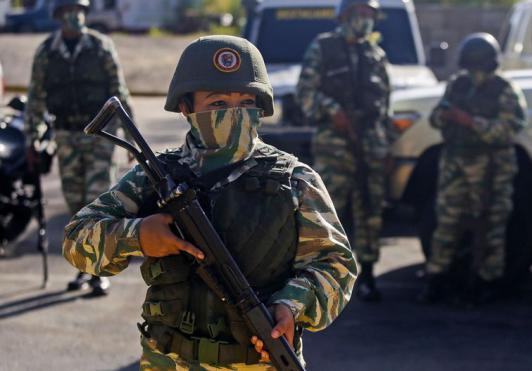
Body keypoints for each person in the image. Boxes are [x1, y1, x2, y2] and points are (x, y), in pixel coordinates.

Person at [62, 35, 357, 370]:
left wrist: (291, 305)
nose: (233, 113)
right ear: (186, 107)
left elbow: (336, 264)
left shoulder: (294, 180)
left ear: (261, 108)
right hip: (168, 361)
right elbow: (76, 239)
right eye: (217, 104)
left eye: (246, 102)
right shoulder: (155, 176)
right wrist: (138, 235)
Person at [25, 0, 134, 295]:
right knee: (76, 204)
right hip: (66, 135)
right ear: (59, 16)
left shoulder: (101, 47)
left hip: (101, 136)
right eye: (68, 11)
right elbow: (35, 97)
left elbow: (119, 92)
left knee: (97, 201)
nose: (75, 16)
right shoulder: (47, 52)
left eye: (80, 10)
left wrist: (131, 139)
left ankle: (99, 272)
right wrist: (31, 138)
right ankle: (82, 268)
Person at [417, 33, 527, 306]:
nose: (474, 73)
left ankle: (488, 282)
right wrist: (444, 116)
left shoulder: (504, 90)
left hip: (492, 168)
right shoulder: (457, 86)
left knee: (492, 226)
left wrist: (470, 121)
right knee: (446, 223)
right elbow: (436, 117)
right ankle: (437, 279)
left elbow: (510, 129)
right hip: (456, 163)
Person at [296, 0, 390, 302]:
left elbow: (385, 105)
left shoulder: (376, 56)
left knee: (370, 209)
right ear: (345, 15)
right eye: (359, 13)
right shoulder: (323, 48)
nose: (364, 20)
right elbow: (305, 92)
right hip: (335, 145)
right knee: (328, 211)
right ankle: (319, 278)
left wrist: (384, 144)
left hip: (370, 144)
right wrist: (332, 110)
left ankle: (370, 275)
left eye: (368, 14)